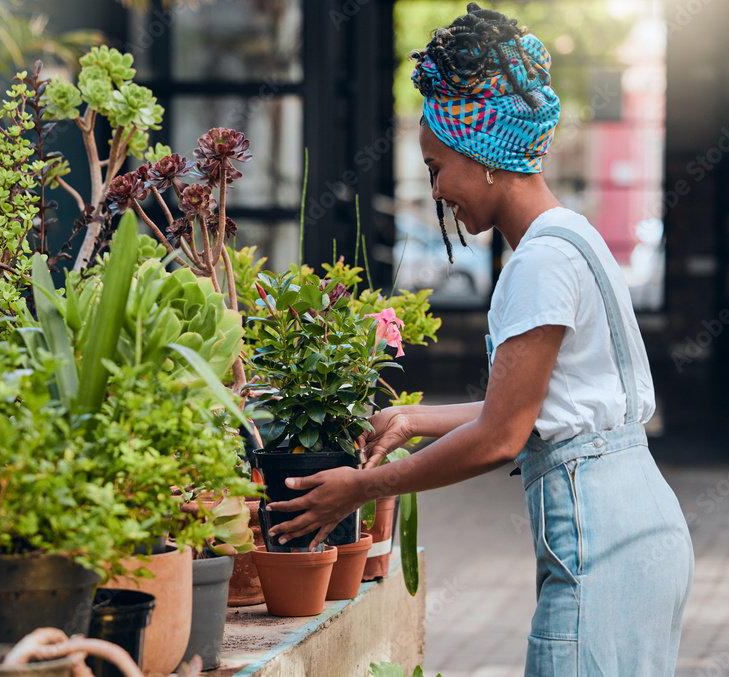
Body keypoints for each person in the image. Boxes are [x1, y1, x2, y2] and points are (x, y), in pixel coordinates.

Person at [265, 4, 694, 674]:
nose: (438, 191)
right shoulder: (572, 235)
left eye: (437, 169)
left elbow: (501, 436)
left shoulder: (538, 263)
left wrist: (363, 487)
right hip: (638, 527)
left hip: (604, 543)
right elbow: (534, 406)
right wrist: (411, 417)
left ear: (481, 155)